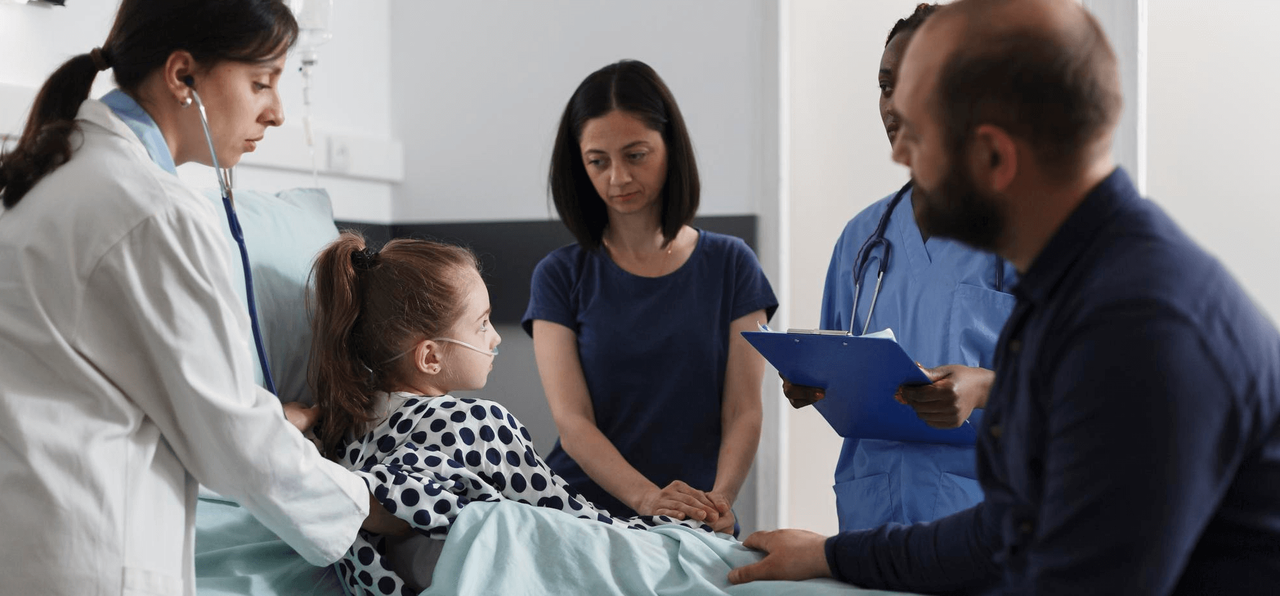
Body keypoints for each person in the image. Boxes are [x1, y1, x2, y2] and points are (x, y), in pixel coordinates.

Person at [730, 0, 1280, 593]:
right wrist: (830, 557)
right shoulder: (1068, 293)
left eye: (918, 135)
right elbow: (1001, 536)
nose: (898, 154)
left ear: (992, 153)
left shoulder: (1145, 325)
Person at [0, 2, 402, 593]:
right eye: (261, 82)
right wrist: (371, 508)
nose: (278, 112)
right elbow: (233, 437)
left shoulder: (51, 180)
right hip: (97, 557)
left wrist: (261, 415)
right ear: (183, 75)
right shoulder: (150, 212)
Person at [307, 232, 711, 594]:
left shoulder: (346, 428)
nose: (496, 336)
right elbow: (576, 524)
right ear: (430, 356)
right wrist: (680, 532)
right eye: (482, 324)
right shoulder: (475, 423)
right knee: (701, 554)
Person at [782, 2, 1018, 532]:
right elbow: (842, 363)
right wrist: (814, 385)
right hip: (872, 519)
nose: (894, 106)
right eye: (887, 86)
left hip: (987, 523)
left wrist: (984, 388)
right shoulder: (862, 241)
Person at [524, 60, 778, 534]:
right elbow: (573, 422)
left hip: (695, 517)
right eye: (598, 161)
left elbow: (743, 409)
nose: (617, 178)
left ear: (670, 147)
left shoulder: (732, 263)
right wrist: (648, 498)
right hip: (580, 517)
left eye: (636, 155)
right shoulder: (558, 275)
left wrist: (718, 501)